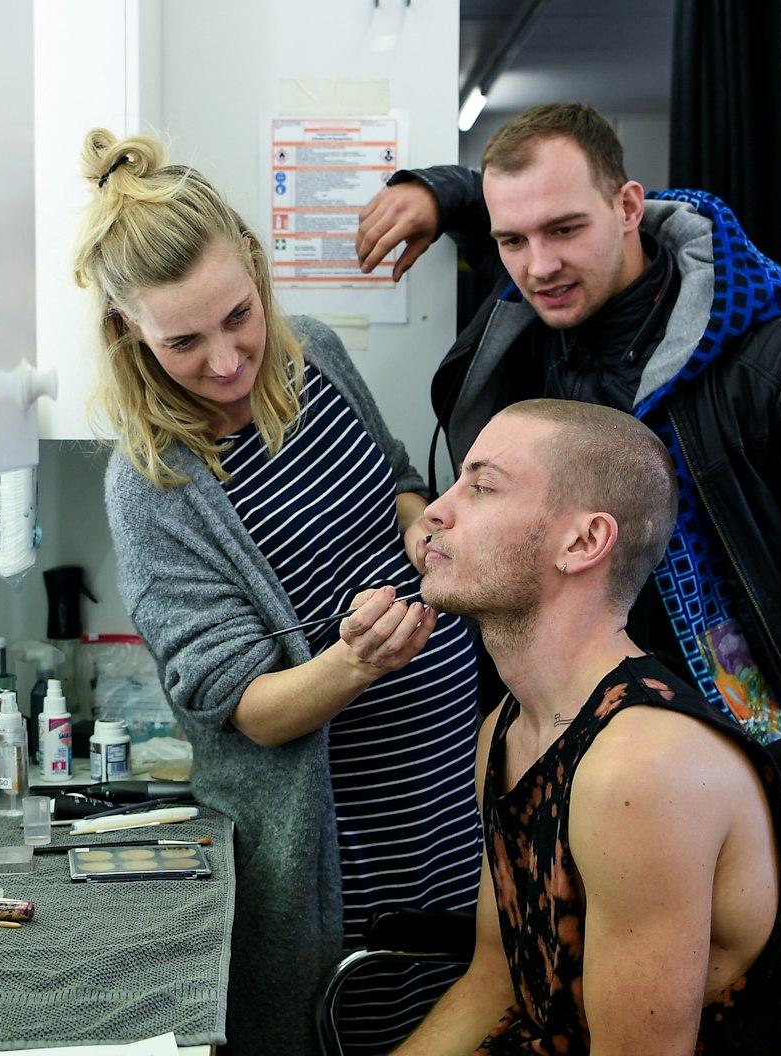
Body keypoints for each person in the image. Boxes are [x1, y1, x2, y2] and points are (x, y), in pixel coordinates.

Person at [72, 129, 482, 1056]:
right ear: (128, 335)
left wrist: (420, 520)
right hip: (344, 843)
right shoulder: (154, 485)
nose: (224, 361)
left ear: (257, 271)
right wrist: (353, 662)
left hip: (448, 786)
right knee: (373, 1024)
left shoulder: (319, 356)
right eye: (182, 340)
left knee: (476, 997)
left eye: (238, 315)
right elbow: (248, 711)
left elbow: (391, 477)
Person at [357, 102, 781, 741]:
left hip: (744, 726)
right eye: (512, 240)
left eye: (564, 230)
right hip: (556, 721)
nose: (539, 267)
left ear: (627, 208)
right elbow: (514, 199)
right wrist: (436, 191)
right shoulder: (519, 344)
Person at [394, 398, 781, 1055]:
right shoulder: (508, 727)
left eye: (482, 487)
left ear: (583, 543)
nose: (436, 512)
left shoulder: (640, 771)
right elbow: (496, 982)